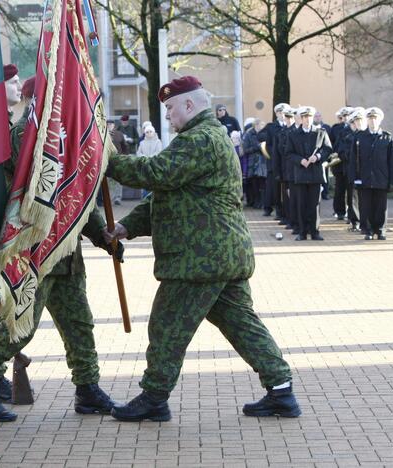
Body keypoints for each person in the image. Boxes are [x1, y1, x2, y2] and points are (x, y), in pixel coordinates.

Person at [104, 75, 299, 422]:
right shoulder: (204, 138)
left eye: (170, 108)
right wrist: (126, 226)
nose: (167, 116)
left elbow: (156, 172)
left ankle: (154, 397)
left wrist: (105, 160)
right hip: (219, 255)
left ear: (190, 105)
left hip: (200, 258)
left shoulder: (201, 139)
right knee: (241, 323)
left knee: (167, 324)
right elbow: (168, 196)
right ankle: (281, 391)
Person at [0, 75, 118, 424]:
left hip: (65, 250)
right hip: (33, 251)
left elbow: (77, 197)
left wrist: (102, 237)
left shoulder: (63, 135)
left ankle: (87, 387)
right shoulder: (25, 134)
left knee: (79, 322)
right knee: (18, 325)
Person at [349, 107, 393, 240]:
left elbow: (391, 161)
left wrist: (392, 180)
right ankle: (368, 230)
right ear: (367, 120)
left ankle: (380, 230)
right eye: (370, 118)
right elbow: (354, 159)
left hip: (381, 178)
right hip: (364, 178)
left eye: (375, 118)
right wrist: (353, 178)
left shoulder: (386, 137)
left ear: (380, 120)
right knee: (366, 206)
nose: (373, 121)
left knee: (381, 206)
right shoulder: (360, 137)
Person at [286, 106, 332, 241]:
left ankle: (315, 231)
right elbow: (288, 153)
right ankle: (302, 232)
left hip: (315, 174)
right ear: (301, 118)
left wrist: (317, 156)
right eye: (305, 117)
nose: (307, 119)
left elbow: (328, 149)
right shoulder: (293, 134)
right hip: (300, 174)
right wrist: (300, 160)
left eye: (310, 117)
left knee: (314, 204)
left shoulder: (320, 133)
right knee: (301, 204)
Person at [263, 103, 289, 218]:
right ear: (276, 114)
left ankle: (286, 211)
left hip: (287, 162)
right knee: (275, 188)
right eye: (279, 112)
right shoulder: (271, 127)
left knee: (286, 188)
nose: (282, 115)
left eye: (284, 112)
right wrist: (274, 156)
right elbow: (268, 144)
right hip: (275, 161)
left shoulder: (290, 126)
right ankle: (278, 211)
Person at [242, 119, 268, 209]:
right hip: (253, 162)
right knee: (254, 184)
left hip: (263, 162)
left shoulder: (265, 134)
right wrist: (257, 147)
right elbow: (245, 149)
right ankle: (256, 202)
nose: (260, 126)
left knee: (263, 183)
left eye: (262, 124)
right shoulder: (249, 134)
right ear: (255, 125)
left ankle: (263, 202)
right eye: (259, 124)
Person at [107, 119, 129, 205]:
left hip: (118, 160)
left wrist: (125, 157)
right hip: (107, 161)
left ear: (114, 125)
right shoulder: (102, 134)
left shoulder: (119, 134)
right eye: (108, 124)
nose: (109, 126)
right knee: (109, 181)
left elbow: (125, 146)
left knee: (118, 180)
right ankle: (110, 198)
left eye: (111, 124)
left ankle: (118, 198)